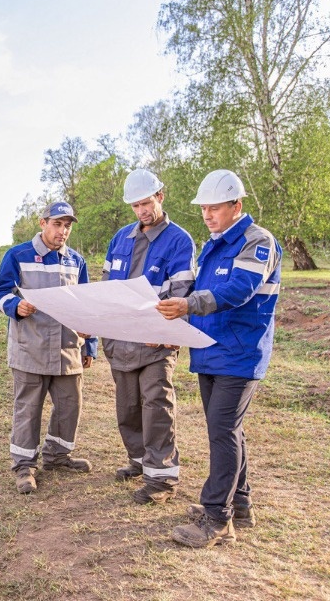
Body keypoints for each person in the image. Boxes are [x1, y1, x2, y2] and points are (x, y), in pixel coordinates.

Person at [156, 169, 282, 548]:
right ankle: (239, 505)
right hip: (210, 349)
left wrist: (188, 304)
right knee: (227, 429)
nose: (208, 215)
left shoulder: (257, 241)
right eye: (204, 208)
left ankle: (217, 519)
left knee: (222, 431)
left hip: (240, 352)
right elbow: (198, 287)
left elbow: (239, 290)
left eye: (215, 207)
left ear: (237, 205)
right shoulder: (213, 243)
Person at [102, 169, 196, 504]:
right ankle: (139, 461)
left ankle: (162, 479)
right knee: (127, 407)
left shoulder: (179, 240)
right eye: (136, 205)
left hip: (156, 343)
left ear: (161, 196)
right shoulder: (121, 239)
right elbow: (107, 286)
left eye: (146, 202)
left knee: (156, 406)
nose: (142, 210)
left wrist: (166, 331)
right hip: (121, 341)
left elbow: (184, 291)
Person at [0, 201, 97, 495]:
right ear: (43, 223)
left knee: (69, 407)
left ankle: (57, 457)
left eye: (67, 226)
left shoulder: (77, 261)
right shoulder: (18, 255)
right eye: (57, 224)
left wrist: (90, 344)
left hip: (67, 349)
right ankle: (24, 466)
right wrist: (15, 305)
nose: (63, 231)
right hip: (31, 348)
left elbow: (86, 306)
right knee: (28, 409)